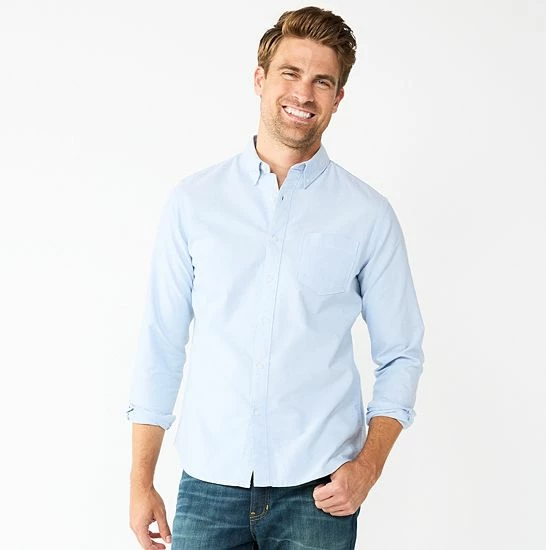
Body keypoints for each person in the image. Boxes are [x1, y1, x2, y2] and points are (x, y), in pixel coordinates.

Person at [127, 6, 425, 550]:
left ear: (338, 97)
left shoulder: (368, 215)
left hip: (319, 494)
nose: (304, 94)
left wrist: (368, 467)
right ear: (260, 78)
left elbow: (401, 353)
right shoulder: (194, 202)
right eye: (291, 73)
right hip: (207, 487)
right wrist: (140, 479)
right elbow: (161, 343)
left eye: (322, 81)